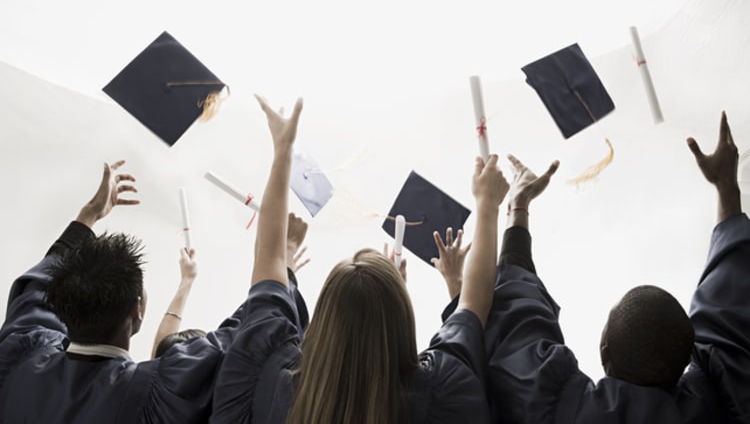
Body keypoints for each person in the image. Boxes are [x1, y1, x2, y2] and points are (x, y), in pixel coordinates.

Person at [210, 95, 510, 424]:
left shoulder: (269, 384)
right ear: (399, 317)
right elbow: (473, 307)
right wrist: (489, 205)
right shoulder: (441, 392)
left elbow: (267, 268)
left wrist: (283, 150)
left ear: (324, 318)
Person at [478, 111, 749, 423]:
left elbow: (517, 318)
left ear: (603, 350)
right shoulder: (728, 401)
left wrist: (519, 205)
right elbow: (729, 312)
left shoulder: (560, 412)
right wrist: (727, 188)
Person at [1, 160, 261, 423]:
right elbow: (246, 336)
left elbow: (38, 285)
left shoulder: (21, 358)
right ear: (138, 308)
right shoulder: (154, 394)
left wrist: (89, 214)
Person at [153, 225, 310, 358]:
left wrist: (186, 281)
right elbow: (258, 319)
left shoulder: (149, 388)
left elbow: (158, 356)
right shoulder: (227, 387)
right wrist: (282, 273)